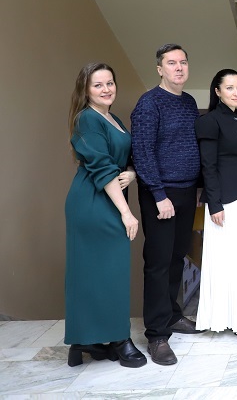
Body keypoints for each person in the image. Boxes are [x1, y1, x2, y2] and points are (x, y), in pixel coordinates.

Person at [65, 63, 147, 368]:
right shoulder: (87, 118)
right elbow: (101, 166)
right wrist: (126, 212)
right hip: (93, 202)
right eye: (98, 85)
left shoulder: (112, 118)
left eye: (109, 83)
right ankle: (119, 339)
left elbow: (123, 158)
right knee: (103, 272)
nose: (106, 89)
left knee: (101, 273)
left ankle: (87, 340)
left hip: (109, 198)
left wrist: (132, 172)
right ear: (85, 90)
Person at [131, 44, 203, 366]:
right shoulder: (149, 104)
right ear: (159, 69)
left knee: (177, 258)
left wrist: (197, 187)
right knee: (159, 263)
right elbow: (142, 152)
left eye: (183, 62)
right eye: (171, 63)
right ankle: (157, 335)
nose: (179, 67)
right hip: (160, 193)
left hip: (187, 191)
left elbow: (193, 146)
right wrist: (159, 195)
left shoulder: (189, 102)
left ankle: (172, 315)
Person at [195, 69, 237, 341]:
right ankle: (221, 318)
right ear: (217, 92)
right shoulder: (209, 121)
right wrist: (214, 204)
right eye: (230, 88)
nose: (236, 93)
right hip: (222, 199)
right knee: (223, 259)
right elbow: (208, 166)